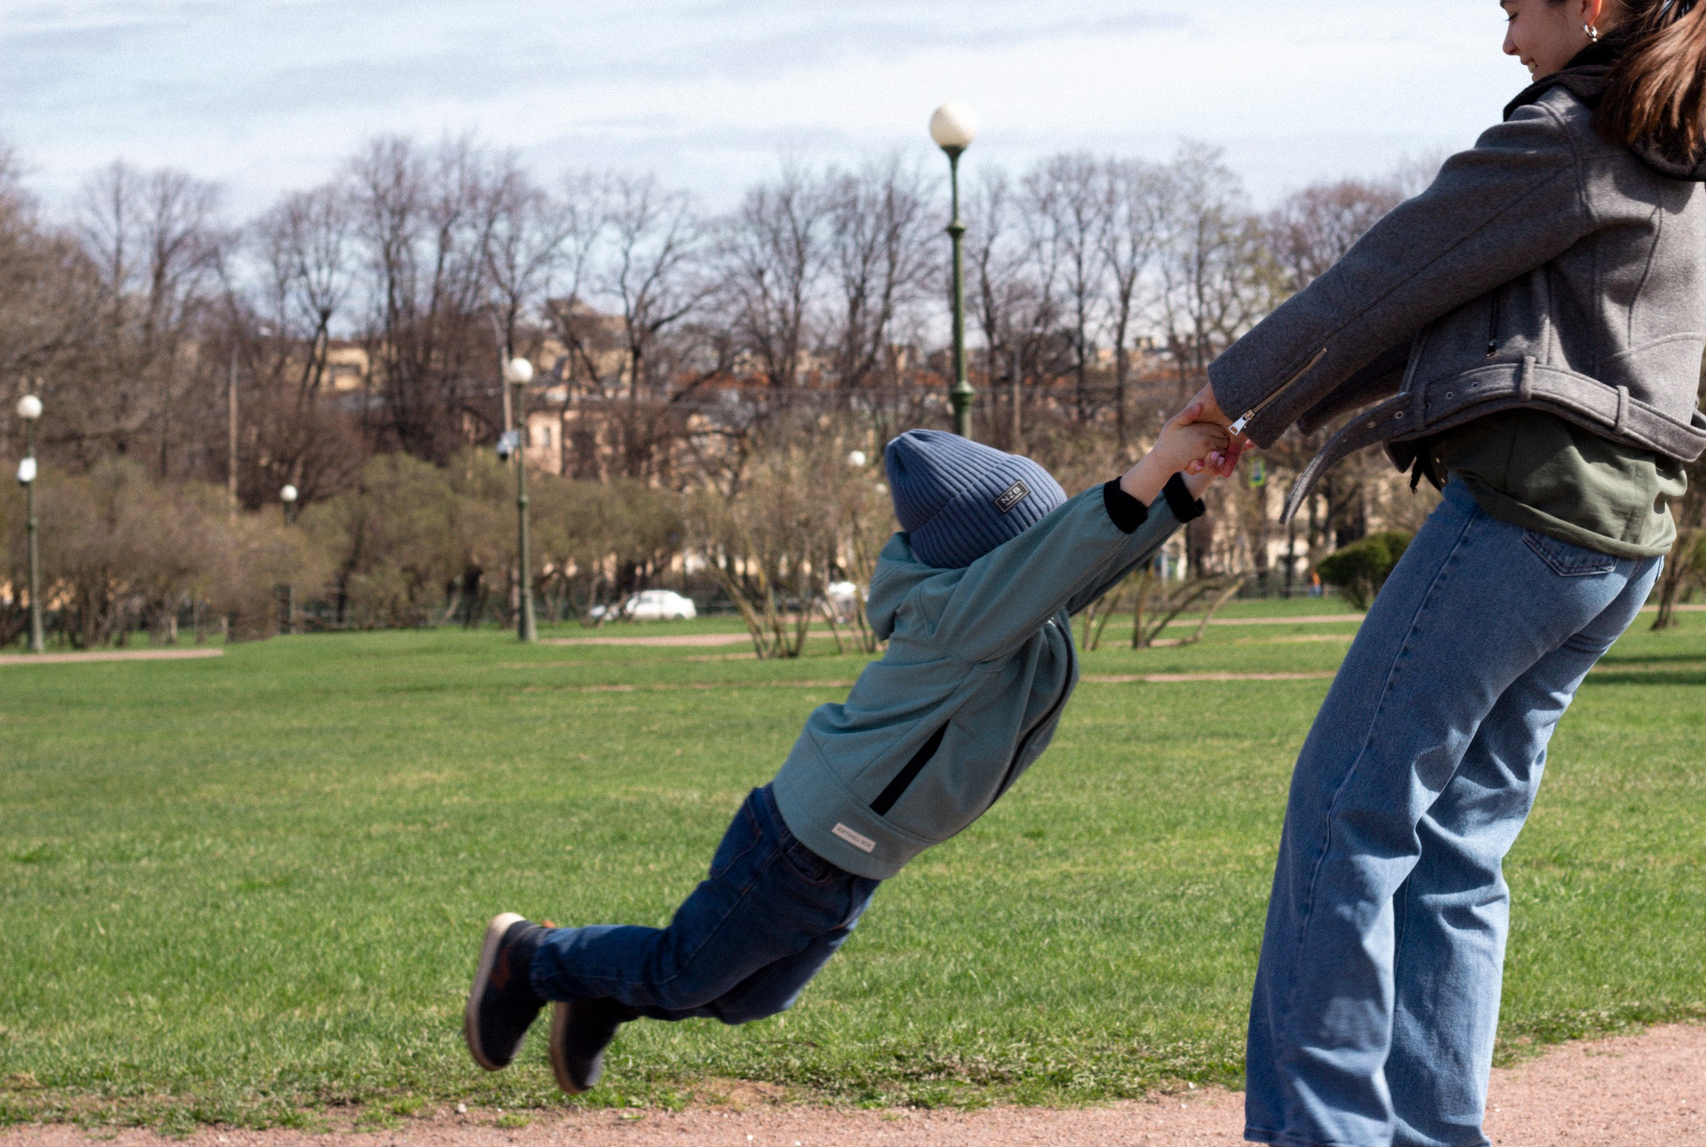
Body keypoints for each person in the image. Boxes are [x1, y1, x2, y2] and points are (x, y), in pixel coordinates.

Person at [1173, 0, 1706, 1147]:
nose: (1505, 41)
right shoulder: (1677, 148)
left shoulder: (1565, 137)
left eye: (1514, 10)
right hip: (1620, 547)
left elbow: (1382, 275)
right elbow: (1429, 314)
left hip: (1527, 524)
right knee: (1458, 846)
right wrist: (1274, 413)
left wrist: (1221, 404)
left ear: (1583, 6)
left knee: (1348, 808)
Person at [464, 420, 1226, 1094]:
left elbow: (1080, 564)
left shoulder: (1005, 612)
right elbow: (1062, 558)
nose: (1050, 560)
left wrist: (1183, 487)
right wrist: (1154, 463)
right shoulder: (956, 617)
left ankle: (602, 988)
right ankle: (531, 957)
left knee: (751, 997)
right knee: (681, 971)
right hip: (805, 842)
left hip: (851, 852)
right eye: (1033, 541)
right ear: (993, 560)